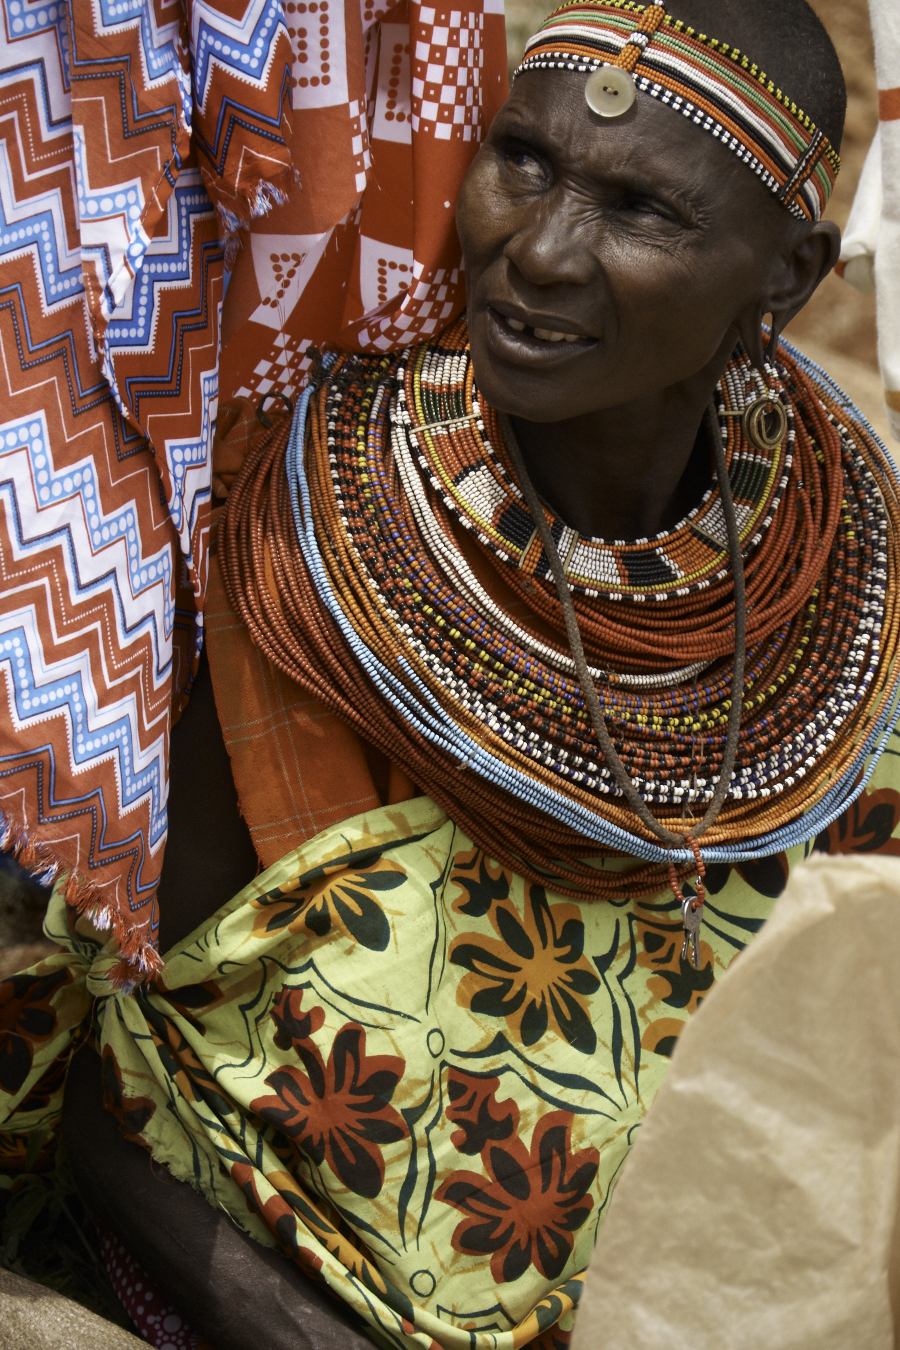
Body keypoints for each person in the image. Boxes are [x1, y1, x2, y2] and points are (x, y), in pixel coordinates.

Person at [3, 1, 900, 1348]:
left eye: (641, 209)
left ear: (789, 275)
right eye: (522, 161)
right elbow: (100, 1080)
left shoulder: (852, 575)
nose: (536, 251)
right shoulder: (266, 556)